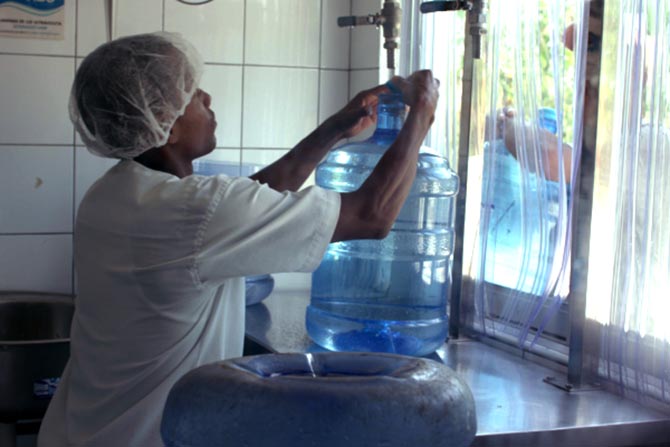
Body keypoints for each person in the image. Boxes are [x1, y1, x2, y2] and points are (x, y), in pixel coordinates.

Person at [37, 32, 440, 447]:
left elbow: (244, 206)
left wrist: (335, 130)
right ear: (165, 124)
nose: (207, 97)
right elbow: (371, 216)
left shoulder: (113, 194)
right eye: (192, 93)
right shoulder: (195, 212)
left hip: (80, 432)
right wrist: (422, 111)